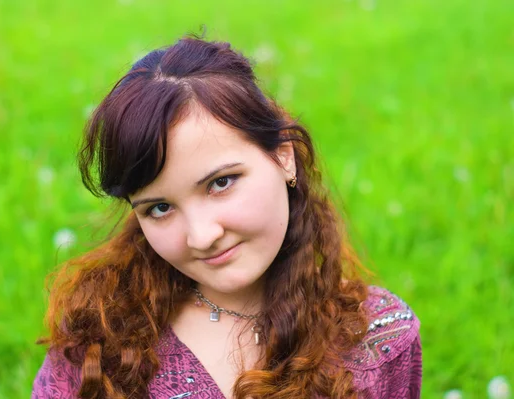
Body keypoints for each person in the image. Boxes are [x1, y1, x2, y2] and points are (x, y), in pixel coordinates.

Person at [32, 36, 422, 399]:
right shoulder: (99, 345)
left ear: (284, 156)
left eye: (220, 183)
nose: (201, 236)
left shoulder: (379, 338)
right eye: (160, 208)